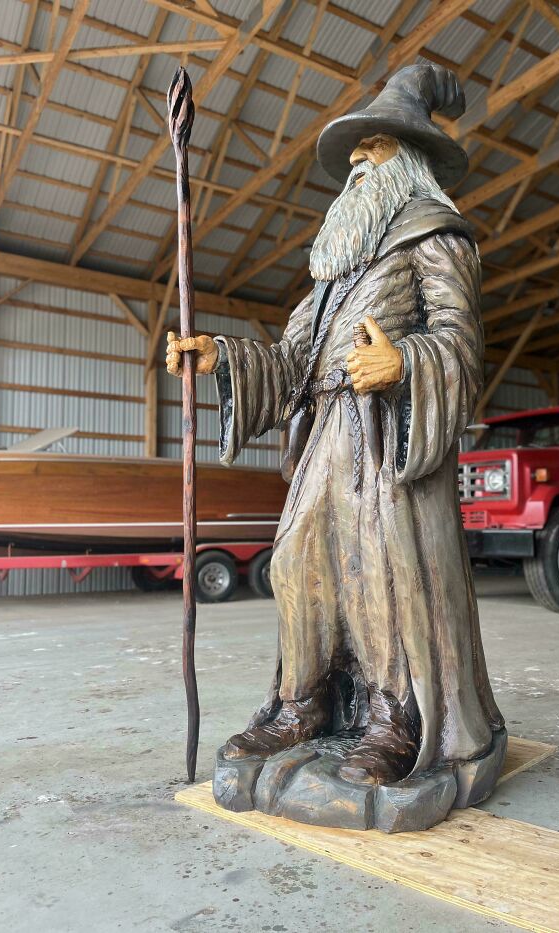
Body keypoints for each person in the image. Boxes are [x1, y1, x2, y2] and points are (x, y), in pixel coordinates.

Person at [166, 63, 504, 788]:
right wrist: (218, 356)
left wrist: (407, 363)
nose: (354, 168)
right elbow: (292, 360)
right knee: (297, 564)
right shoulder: (332, 274)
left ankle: (393, 714)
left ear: (405, 162)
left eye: (370, 152)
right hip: (328, 432)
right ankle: (304, 703)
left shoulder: (436, 237)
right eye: (351, 159)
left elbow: (461, 343)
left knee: (378, 577)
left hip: (386, 443)